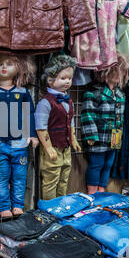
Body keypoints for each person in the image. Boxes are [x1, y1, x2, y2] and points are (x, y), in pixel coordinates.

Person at [0, 53, 39, 217]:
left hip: (20, 143)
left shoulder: (23, 93)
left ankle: (18, 205)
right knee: (0, 177)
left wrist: (33, 135)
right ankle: (3, 207)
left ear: (18, 68)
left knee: (19, 177)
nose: (4, 67)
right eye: (0, 64)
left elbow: (29, 114)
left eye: (9, 64)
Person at [81, 53, 129, 195]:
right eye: (119, 72)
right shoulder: (94, 93)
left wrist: (120, 134)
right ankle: (92, 193)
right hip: (99, 137)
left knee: (108, 164)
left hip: (115, 137)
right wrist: (91, 135)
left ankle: (102, 191)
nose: (121, 76)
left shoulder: (120, 94)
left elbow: (121, 117)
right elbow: (88, 114)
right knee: (96, 164)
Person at [35, 54, 81, 200]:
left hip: (65, 147)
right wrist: (48, 148)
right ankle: (49, 208)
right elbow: (41, 127)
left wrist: (73, 140)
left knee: (64, 177)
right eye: (63, 78)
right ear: (50, 80)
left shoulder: (69, 101)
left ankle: (61, 203)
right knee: (51, 178)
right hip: (52, 146)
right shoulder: (45, 103)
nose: (67, 81)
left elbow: (71, 122)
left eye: (69, 78)